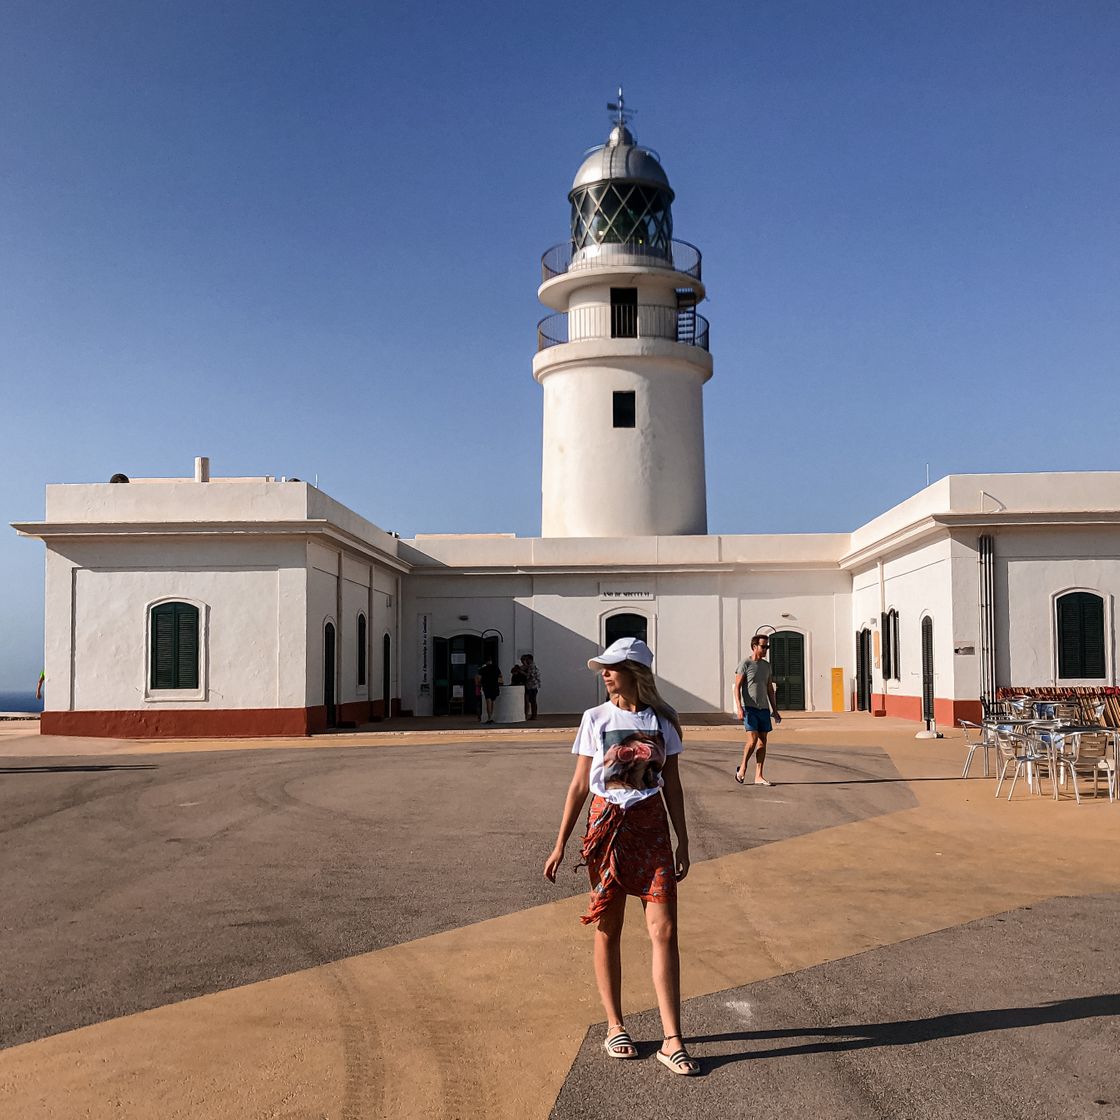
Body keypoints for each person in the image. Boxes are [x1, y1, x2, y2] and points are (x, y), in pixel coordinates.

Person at [544, 637, 698, 1076]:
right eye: (604, 668)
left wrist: (682, 840)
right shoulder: (594, 718)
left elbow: (673, 784)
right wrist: (560, 843)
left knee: (664, 931)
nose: (605, 674)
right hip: (605, 827)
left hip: (651, 830)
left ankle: (673, 1038)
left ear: (637, 672)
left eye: (613, 667)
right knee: (608, 926)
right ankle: (616, 1025)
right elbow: (579, 785)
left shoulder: (664, 721)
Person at [733, 633, 781, 786]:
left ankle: (759, 776)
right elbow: (737, 688)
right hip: (750, 708)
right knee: (752, 740)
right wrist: (739, 708)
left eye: (767, 646)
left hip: (764, 709)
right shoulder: (745, 664)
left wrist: (775, 709)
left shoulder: (766, 666)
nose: (766, 649)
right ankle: (743, 769)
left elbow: (769, 689)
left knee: (762, 742)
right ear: (754, 647)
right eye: (763, 646)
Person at [474, 657, 503, 723]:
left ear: (486, 662)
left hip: (486, 686)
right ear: (491, 661)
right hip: (494, 686)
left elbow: (479, 678)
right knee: (492, 701)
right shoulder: (496, 667)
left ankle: (489, 717)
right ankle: (491, 716)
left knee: (488, 701)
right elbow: (500, 676)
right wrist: (501, 683)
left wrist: (479, 685)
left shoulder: (483, 669)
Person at [521, 653, 540, 720]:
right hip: (531, 686)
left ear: (530, 659)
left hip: (532, 686)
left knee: (533, 701)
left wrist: (523, 673)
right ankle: (533, 715)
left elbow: (530, 676)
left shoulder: (531, 666)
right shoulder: (531, 666)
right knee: (532, 701)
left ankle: (534, 715)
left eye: (527, 659)